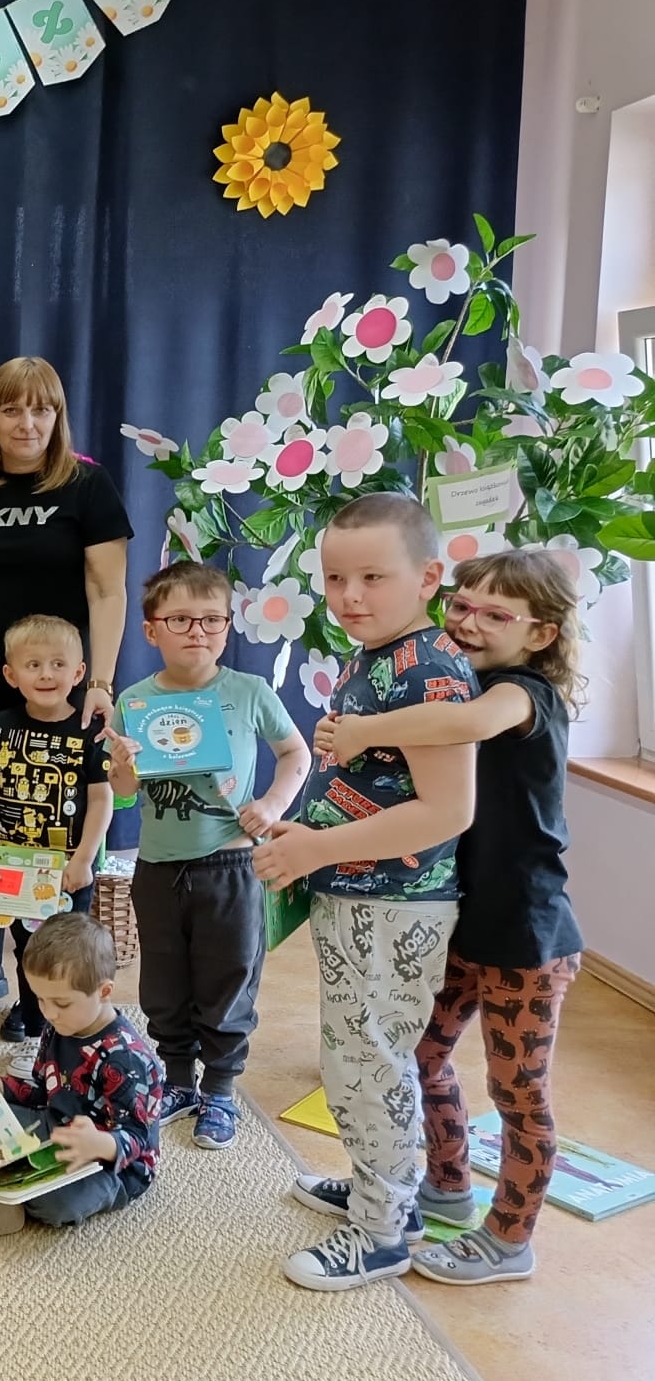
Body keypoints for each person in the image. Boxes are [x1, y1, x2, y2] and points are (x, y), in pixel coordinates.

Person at [315, 549, 584, 1286]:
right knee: (420, 1056)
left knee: (518, 1093)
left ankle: (509, 1240)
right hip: (460, 921)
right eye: (462, 605)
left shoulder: (525, 694)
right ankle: (440, 1186)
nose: (468, 622)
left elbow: (468, 722)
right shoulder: (454, 677)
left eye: (496, 615)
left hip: (527, 936)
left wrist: (364, 730)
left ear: (541, 634)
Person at [254, 492, 479, 1292]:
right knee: (354, 1055)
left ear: (428, 578)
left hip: (396, 903)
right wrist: (309, 832)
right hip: (356, 894)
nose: (349, 597)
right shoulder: (374, 657)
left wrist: (319, 847)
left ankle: (383, 1233)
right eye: (335, 578)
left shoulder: (431, 670)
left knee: (369, 1063)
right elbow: (378, 784)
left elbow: (447, 811)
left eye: (372, 578)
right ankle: (388, 1197)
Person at [0, 357, 132, 1011]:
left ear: (57, 416)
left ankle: (46, 982)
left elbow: (108, 591)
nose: (27, 422)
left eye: (41, 409)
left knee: (51, 827)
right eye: (11, 409)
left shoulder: (87, 488)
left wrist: (100, 682)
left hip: (57, 690)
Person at [106, 564, 310, 1148]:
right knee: (163, 980)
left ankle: (219, 1088)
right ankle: (177, 1080)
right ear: (152, 631)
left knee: (229, 976)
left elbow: (296, 754)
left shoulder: (248, 691)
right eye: (180, 620)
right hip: (158, 866)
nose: (197, 631)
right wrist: (121, 766)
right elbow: (125, 790)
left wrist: (271, 804)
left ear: (227, 627)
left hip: (231, 863)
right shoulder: (135, 700)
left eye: (212, 620)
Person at [0, 913, 162, 1241]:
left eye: (62, 1003)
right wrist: (2, 1088)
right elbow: (42, 1093)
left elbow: (140, 1138)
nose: (49, 1012)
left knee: (59, 1203)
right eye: (40, 999)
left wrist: (102, 1143)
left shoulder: (126, 1058)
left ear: (104, 991)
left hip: (111, 1164)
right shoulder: (58, 1026)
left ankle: (6, 1207)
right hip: (54, 1124)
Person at [0, 616, 115, 1075]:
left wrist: (84, 859)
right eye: (33, 665)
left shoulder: (89, 730)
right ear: (11, 675)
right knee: (28, 951)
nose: (46, 674)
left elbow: (102, 799)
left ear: (79, 672)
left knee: (68, 955)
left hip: (68, 872)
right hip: (13, 869)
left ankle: (73, 1034)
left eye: (58, 664)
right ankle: (36, 1029)